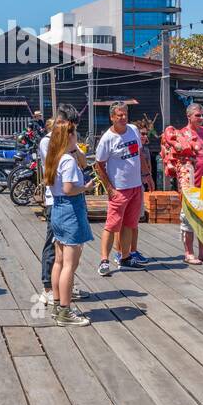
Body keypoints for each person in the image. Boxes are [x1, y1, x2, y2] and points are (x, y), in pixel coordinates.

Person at [94, 100, 155, 276]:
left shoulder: (133, 130)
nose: (122, 117)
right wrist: (109, 188)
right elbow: (99, 164)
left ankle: (126, 257)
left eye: (125, 114)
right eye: (119, 115)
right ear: (112, 117)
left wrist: (147, 175)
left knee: (130, 224)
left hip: (136, 185)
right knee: (112, 225)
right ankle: (104, 260)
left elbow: (140, 155)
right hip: (119, 188)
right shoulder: (107, 138)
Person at [44, 118, 92, 326]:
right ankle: (65, 310)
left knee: (59, 261)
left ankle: (57, 304)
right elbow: (69, 189)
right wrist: (86, 188)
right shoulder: (68, 161)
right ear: (68, 136)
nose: (77, 138)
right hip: (70, 210)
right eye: (75, 134)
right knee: (69, 266)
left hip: (57, 209)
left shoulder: (54, 157)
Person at [39, 106, 85, 307]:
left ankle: (62, 287)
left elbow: (83, 162)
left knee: (65, 256)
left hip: (61, 202)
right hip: (59, 203)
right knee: (57, 252)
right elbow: (68, 187)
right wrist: (84, 188)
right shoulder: (48, 143)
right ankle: (49, 288)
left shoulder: (68, 150)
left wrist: (75, 149)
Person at [162, 102, 203, 265]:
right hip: (191, 182)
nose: (201, 118)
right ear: (189, 116)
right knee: (188, 218)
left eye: (202, 115)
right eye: (197, 115)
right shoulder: (181, 134)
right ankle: (188, 253)